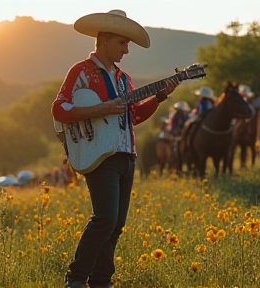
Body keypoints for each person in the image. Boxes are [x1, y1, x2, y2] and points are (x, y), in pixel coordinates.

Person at [51, 10, 179, 288]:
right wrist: (101, 108)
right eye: (122, 43)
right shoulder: (81, 72)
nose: (127, 49)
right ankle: (76, 277)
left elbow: (132, 117)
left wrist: (159, 97)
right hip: (99, 155)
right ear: (105, 39)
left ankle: (101, 280)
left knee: (116, 225)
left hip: (125, 155)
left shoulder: (124, 79)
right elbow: (59, 110)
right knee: (105, 218)